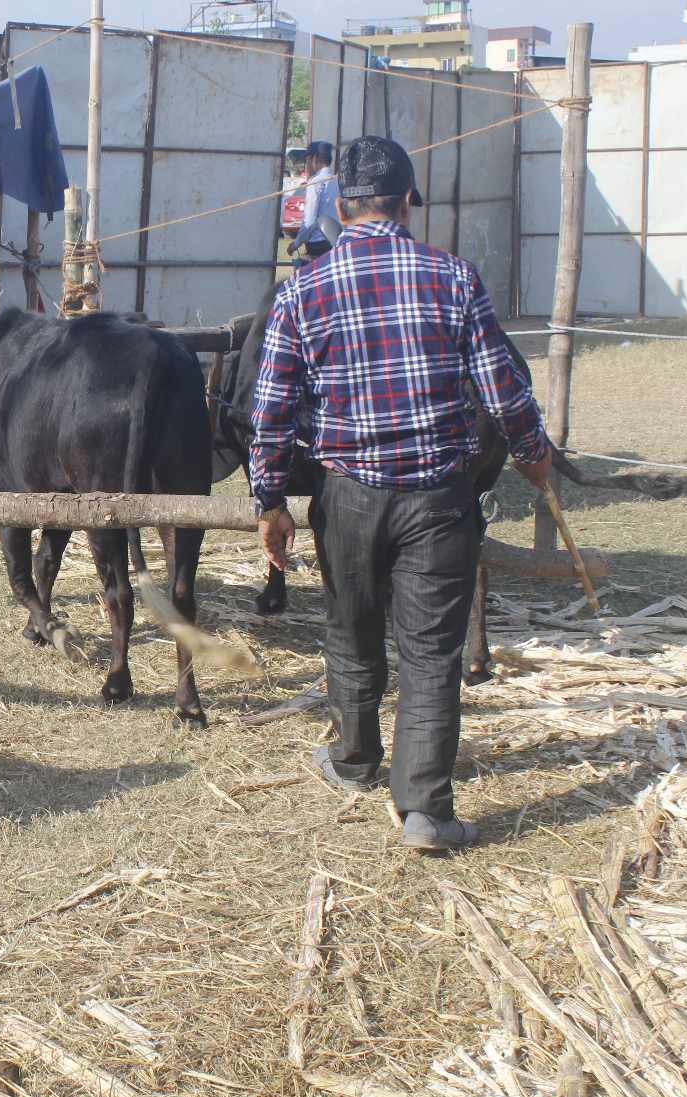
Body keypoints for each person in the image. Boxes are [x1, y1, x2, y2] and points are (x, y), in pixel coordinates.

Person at [248, 136, 551, 852]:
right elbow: (504, 390)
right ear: (408, 200)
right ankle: (424, 810)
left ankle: (353, 762)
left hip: (348, 496)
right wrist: (534, 456)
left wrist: (270, 501)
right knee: (430, 654)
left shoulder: (301, 290)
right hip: (438, 499)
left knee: (351, 634)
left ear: (341, 205)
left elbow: (270, 412)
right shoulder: (453, 276)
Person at [286, 141, 340, 267]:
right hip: (335, 242)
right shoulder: (338, 181)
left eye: (307, 160)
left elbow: (309, 221)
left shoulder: (315, 183)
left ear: (314, 158)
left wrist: (296, 244)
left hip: (317, 244)